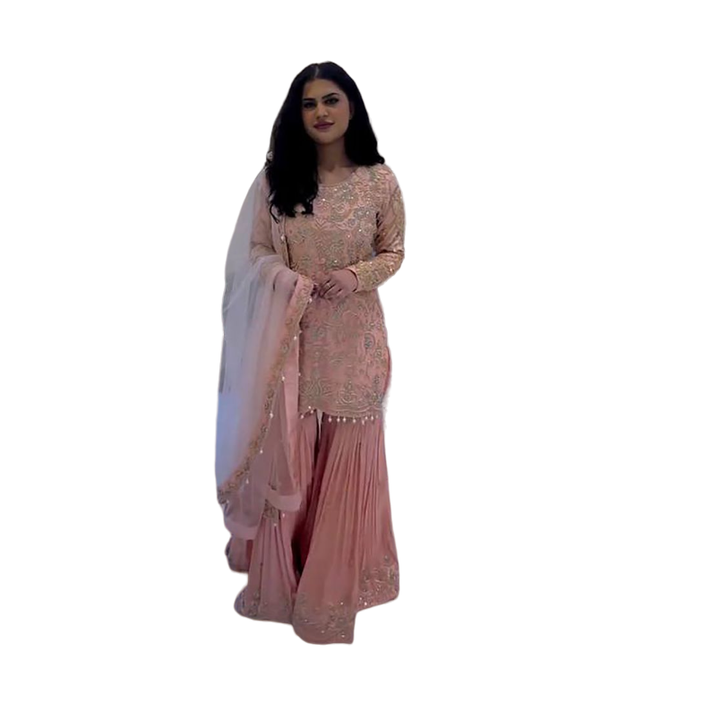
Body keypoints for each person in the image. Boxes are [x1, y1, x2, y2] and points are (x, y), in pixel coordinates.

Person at [215, 61, 405, 644]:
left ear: (352, 107)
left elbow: (394, 250)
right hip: (289, 344)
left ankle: (332, 587)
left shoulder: (379, 180)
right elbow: (254, 252)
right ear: (296, 114)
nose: (320, 112)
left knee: (346, 451)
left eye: (331, 100)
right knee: (289, 452)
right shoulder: (277, 178)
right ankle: (281, 579)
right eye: (308, 103)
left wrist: (356, 275)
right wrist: (285, 279)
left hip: (355, 342)